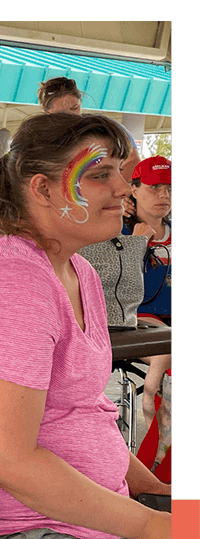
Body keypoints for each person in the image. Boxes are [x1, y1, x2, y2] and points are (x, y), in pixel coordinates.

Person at [0, 112, 171, 539]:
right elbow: (10, 461)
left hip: (93, 519)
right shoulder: (8, 281)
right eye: (101, 175)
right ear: (40, 189)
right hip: (8, 533)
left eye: (122, 172)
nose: (124, 189)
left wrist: (153, 489)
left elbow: (81, 412)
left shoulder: (80, 273)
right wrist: (149, 525)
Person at [124, 155, 172, 482]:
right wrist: (136, 245)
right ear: (134, 190)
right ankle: (156, 483)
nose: (164, 195)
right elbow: (118, 293)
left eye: (169, 188)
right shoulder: (117, 232)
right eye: (155, 188)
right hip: (137, 326)